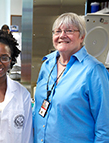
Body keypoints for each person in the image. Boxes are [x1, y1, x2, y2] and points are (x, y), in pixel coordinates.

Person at [33, 12, 109, 143]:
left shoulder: (93, 70)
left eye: (69, 31)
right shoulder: (47, 64)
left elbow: (104, 125)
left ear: (82, 37)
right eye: (57, 31)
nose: (62, 35)